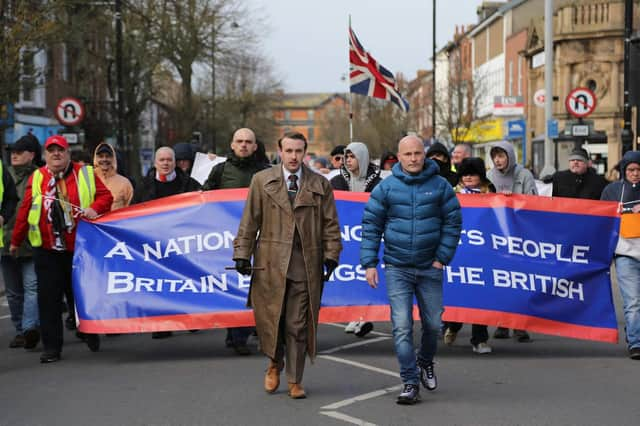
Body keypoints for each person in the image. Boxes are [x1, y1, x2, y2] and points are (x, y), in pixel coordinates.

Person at [233, 131, 342, 399]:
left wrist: (331, 255)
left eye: (298, 151)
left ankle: (295, 379)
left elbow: (330, 224)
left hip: (306, 264)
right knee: (273, 320)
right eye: (289, 151)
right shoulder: (261, 181)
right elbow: (250, 221)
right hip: (270, 264)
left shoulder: (320, 184)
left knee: (298, 324)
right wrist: (242, 253)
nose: (294, 156)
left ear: (305, 152)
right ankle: (274, 363)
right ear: (279, 151)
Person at [361, 135, 462, 405]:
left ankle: (425, 362)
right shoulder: (386, 188)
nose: (414, 159)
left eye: (418, 153)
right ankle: (409, 381)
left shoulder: (440, 186)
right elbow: (371, 225)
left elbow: (453, 222)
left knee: (433, 325)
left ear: (424, 155)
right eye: (408, 154)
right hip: (397, 267)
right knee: (402, 327)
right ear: (399, 156)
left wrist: (442, 257)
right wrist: (369, 263)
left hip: (430, 267)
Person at [10, 135, 113, 363]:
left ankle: (88, 331)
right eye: (51, 151)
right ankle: (52, 348)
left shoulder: (84, 172)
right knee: (48, 300)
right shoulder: (38, 177)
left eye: (61, 151)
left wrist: (94, 208)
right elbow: (25, 210)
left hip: (79, 247)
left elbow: (106, 196)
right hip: (47, 249)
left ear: (68, 154)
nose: (56, 154)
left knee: (79, 294)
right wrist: (16, 241)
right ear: (45, 156)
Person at [202, 128, 270, 355]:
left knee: (260, 286)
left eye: (248, 142)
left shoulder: (266, 172)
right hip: (228, 240)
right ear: (232, 145)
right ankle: (237, 336)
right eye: (239, 141)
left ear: (254, 146)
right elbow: (204, 200)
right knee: (235, 286)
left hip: (262, 237)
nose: (243, 145)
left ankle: (258, 330)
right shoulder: (220, 171)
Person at [132, 146, 201, 338]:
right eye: (161, 160)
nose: (165, 163)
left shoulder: (189, 184)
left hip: (183, 243)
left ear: (175, 162)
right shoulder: (143, 186)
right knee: (160, 283)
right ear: (155, 163)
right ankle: (162, 323)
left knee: (186, 282)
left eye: (169, 160)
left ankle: (190, 318)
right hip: (154, 245)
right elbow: (132, 213)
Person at [442, 157, 494, 354]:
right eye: (465, 174)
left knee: (480, 298)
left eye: (473, 174)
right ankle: (453, 325)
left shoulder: (492, 194)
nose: (469, 177)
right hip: (458, 252)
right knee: (459, 294)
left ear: (481, 176)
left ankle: (479, 340)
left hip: (483, 253)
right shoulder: (452, 195)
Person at [487, 141, 537, 342]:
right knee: (501, 281)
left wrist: (513, 199)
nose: (498, 160)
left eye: (502, 155)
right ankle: (502, 323)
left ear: (510, 156)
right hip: (496, 237)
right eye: (495, 156)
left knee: (519, 282)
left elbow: (534, 203)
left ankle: (520, 325)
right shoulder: (490, 177)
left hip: (519, 236)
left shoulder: (523, 175)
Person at [330, 141, 381, 337]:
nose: (348, 161)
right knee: (350, 275)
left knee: (366, 276)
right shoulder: (336, 181)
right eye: (346, 157)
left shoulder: (377, 183)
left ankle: (364, 316)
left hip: (369, 236)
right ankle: (355, 315)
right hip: (345, 238)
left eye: (352, 157)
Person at [600, 150, 640, 360]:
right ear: (624, 170)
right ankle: (636, 343)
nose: (635, 174)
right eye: (631, 169)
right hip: (625, 255)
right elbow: (602, 220)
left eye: (639, 170)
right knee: (632, 301)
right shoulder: (612, 190)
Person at [0, 139, 23, 348]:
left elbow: (10, 198)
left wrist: (3, 216)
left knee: (17, 289)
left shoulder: (0, 168)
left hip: (3, 241)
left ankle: (25, 329)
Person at [93, 143, 134, 210]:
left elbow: (130, 208)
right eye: (101, 156)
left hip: (118, 220)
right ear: (95, 159)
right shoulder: (89, 179)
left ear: (113, 159)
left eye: (107, 156)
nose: (104, 159)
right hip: (92, 220)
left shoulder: (124, 183)